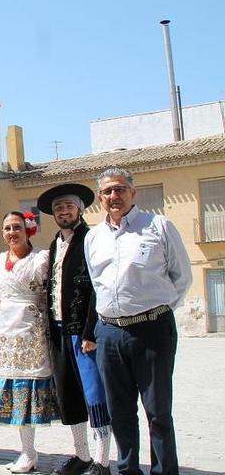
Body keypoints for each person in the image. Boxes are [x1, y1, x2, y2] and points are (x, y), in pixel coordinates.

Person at [85, 168, 191, 475]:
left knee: (158, 411)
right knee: (119, 410)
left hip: (152, 330)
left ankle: (163, 470)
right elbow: (97, 283)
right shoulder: (94, 237)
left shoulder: (158, 226)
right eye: (107, 192)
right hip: (110, 333)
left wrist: (153, 312)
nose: (113, 197)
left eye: (119, 189)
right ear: (100, 198)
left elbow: (181, 277)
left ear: (133, 193)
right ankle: (128, 469)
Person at [37, 183, 112, 475]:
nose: (63, 211)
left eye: (68, 206)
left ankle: (103, 460)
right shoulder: (55, 243)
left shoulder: (91, 239)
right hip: (58, 331)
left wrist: (91, 332)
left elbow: (97, 288)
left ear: (79, 209)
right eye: (58, 208)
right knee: (68, 395)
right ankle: (81, 455)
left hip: (83, 331)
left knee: (94, 394)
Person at [0, 211, 59, 473]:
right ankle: (27, 450)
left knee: (28, 390)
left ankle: (32, 452)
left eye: (17, 227)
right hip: (4, 333)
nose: (12, 232)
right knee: (14, 391)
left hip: (31, 332)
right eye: (7, 228)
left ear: (28, 230)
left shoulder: (42, 259)